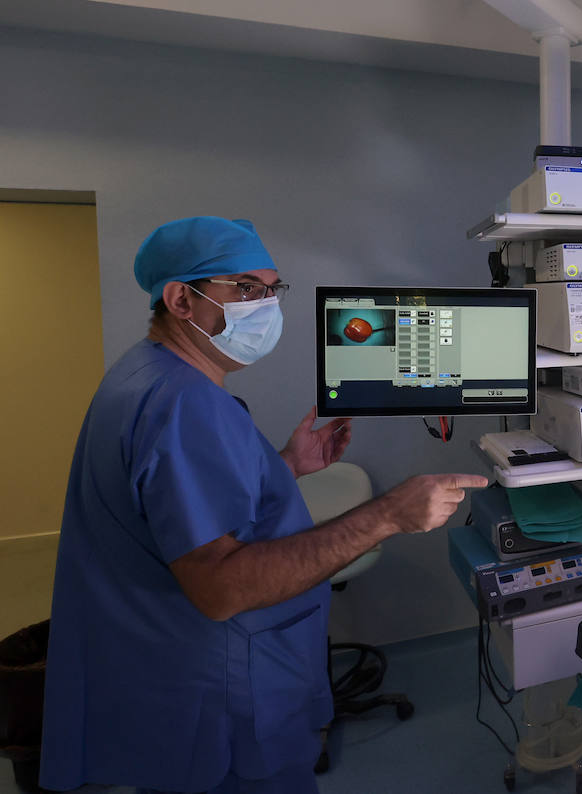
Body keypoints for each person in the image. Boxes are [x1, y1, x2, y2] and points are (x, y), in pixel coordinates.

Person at [40, 216, 487, 794]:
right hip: (221, 690)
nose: (267, 306)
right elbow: (221, 587)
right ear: (181, 299)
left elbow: (176, 506)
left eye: (273, 290)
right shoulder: (185, 405)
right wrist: (388, 514)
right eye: (246, 289)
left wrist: (284, 465)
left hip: (171, 677)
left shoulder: (144, 375)